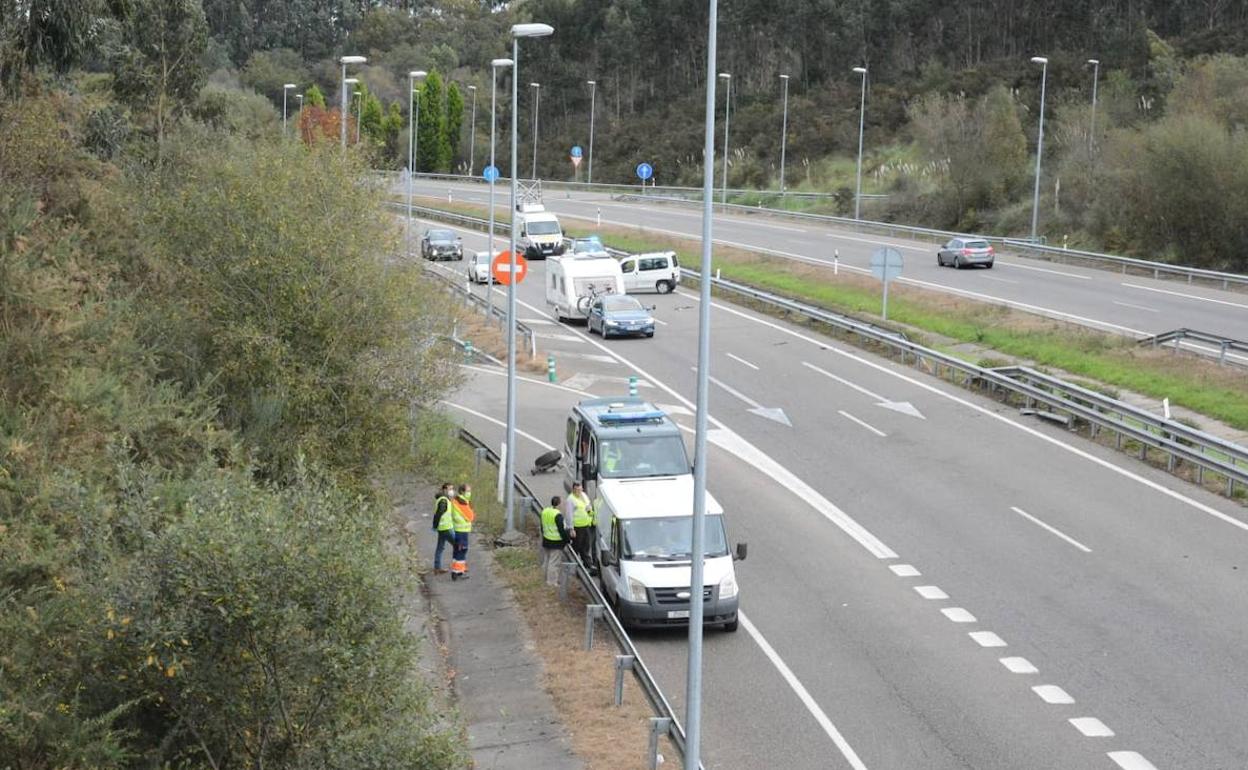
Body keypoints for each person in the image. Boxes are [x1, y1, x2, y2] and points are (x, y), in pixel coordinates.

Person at [539, 495, 570, 587]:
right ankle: (552, 582)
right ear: (559, 504)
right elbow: (562, 530)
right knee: (554, 563)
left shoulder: (545, 511)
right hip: (556, 543)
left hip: (546, 540)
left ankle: (545, 579)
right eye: (562, 503)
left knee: (547, 561)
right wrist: (567, 540)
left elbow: (542, 526)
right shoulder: (558, 515)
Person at [566, 481, 595, 569]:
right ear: (573, 489)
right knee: (577, 546)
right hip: (577, 527)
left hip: (586, 525)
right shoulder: (570, 499)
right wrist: (571, 528)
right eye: (576, 489)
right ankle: (573, 564)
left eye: (580, 489)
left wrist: (591, 515)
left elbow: (588, 506)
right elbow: (569, 515)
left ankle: (588, 564)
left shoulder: (584, 495)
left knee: (586, 545)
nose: (578, 491)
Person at [449, 484, 475, 581]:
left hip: (459, 530)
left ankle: (458, 570)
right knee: (462, 550)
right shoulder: (461, 502)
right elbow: (470, 517)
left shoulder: (459, 501)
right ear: (462, 492)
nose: (469, 493)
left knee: (458, 551)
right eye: (468, 491)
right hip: (462, 531)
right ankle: (458, 572)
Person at [431, 482, 455, 574]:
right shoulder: (444, 500)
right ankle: (457, 567)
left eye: (452, 489)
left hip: (442, 528)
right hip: (446, 527)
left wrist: (435, 526)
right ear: (444, 490)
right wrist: (435, 525)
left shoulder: (443, 499)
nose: (451, 491)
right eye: (449, 489)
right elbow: (439, 514)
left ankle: (437, 568)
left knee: (440, 548)